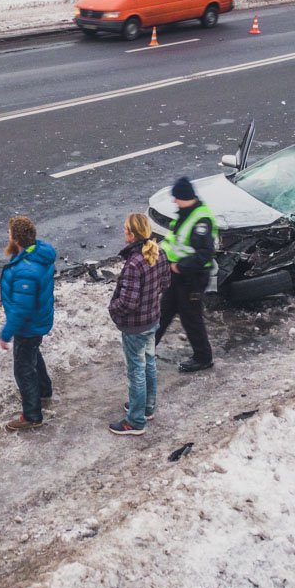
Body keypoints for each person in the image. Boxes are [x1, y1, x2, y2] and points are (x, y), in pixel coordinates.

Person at [108, 213, 172, 435]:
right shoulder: (159, 253)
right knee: (149, 363)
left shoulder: (134, 263)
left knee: (136, 370)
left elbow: (128, 302)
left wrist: (113, 309)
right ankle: (146, 407)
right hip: (152, 319)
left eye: (125, 229)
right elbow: (165, 283)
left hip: (135, 326)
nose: (123, 232)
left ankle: (135, 421)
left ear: (132, 234)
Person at [0, 215, 57, 431]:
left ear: (16, 238)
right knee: (33, 355)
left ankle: (32, 415)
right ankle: (44, 390)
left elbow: (22, 308)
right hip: (39, 320)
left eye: (9, 232)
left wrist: (5, 334)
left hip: (28, 325)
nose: (8, 235)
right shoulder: (38, 253)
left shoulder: (26, 270)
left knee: (23, 369)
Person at [156, 177, 218, 373]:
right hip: (177, 276)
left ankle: (203, 358)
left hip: (192, 277)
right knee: (164, 312)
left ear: (185, 197)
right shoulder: (185, 214)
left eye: (176, 197)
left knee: (191, 317)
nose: (174, 201)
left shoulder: (201, 220)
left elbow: (204, 254)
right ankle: (146, 348)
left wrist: (180, 267)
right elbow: (174, 242)